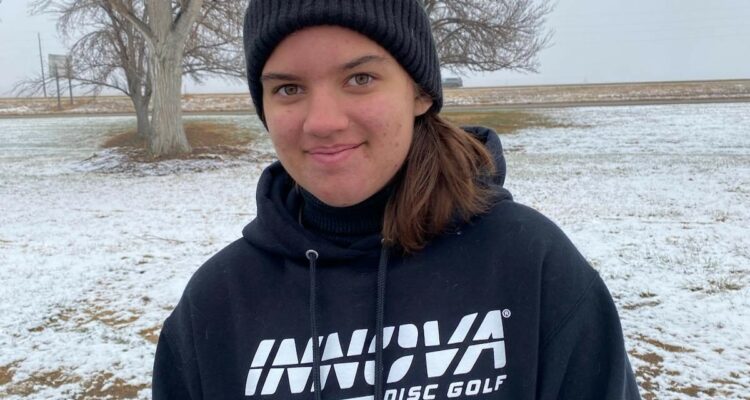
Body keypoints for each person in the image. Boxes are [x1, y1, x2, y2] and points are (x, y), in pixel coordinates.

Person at [152, 1, 641, 399]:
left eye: (360, 79)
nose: (322, 122)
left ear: (420, 93)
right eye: (289, 88)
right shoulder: (218, 305)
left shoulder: (530, 265)